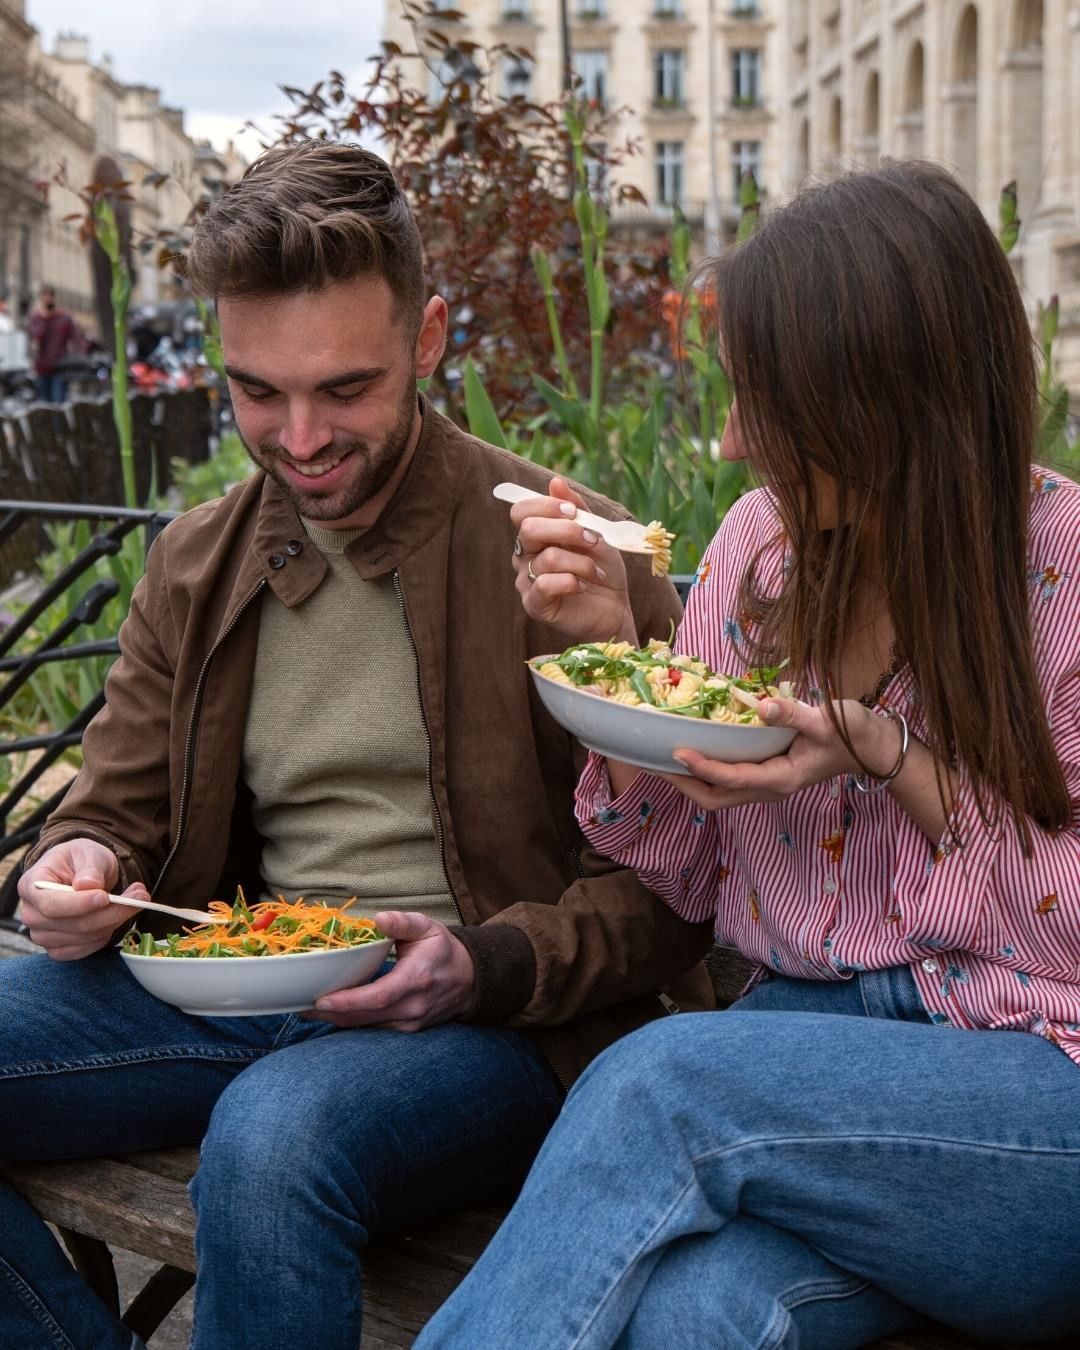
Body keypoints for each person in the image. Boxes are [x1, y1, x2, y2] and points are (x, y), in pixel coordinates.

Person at [1, 142, 715, 1350]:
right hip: (239, 981)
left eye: (345, 388)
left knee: (277, 1144)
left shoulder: (569, 548)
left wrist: (481, 964)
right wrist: (79, 864)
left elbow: (678, 895)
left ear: (430, 337)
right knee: (273, 1113)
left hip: (499, 1028)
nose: (299, 437)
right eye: (256, 391)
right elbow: (112, 812)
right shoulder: (196, 559)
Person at [414, 161, 1080, 1349]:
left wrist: (890, 757)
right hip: (800, 1071)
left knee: (663, 1083)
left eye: (763, 403)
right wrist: (619, 664)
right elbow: (685, 879)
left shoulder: (1064, 569)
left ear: (878, 398)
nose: (728, 441)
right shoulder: (761, 548)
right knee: (702, 1315)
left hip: (1027, 1099)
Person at [27, 285, 78, 404]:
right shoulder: (36, 318)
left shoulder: (64, 318)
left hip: (60, 366)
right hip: (42, 367)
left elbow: (75, 338)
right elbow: (35, 337)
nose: (47, 300)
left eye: (50, 296)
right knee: (44, 402)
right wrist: (44, 319)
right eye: (45, 297)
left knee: (58, 401)